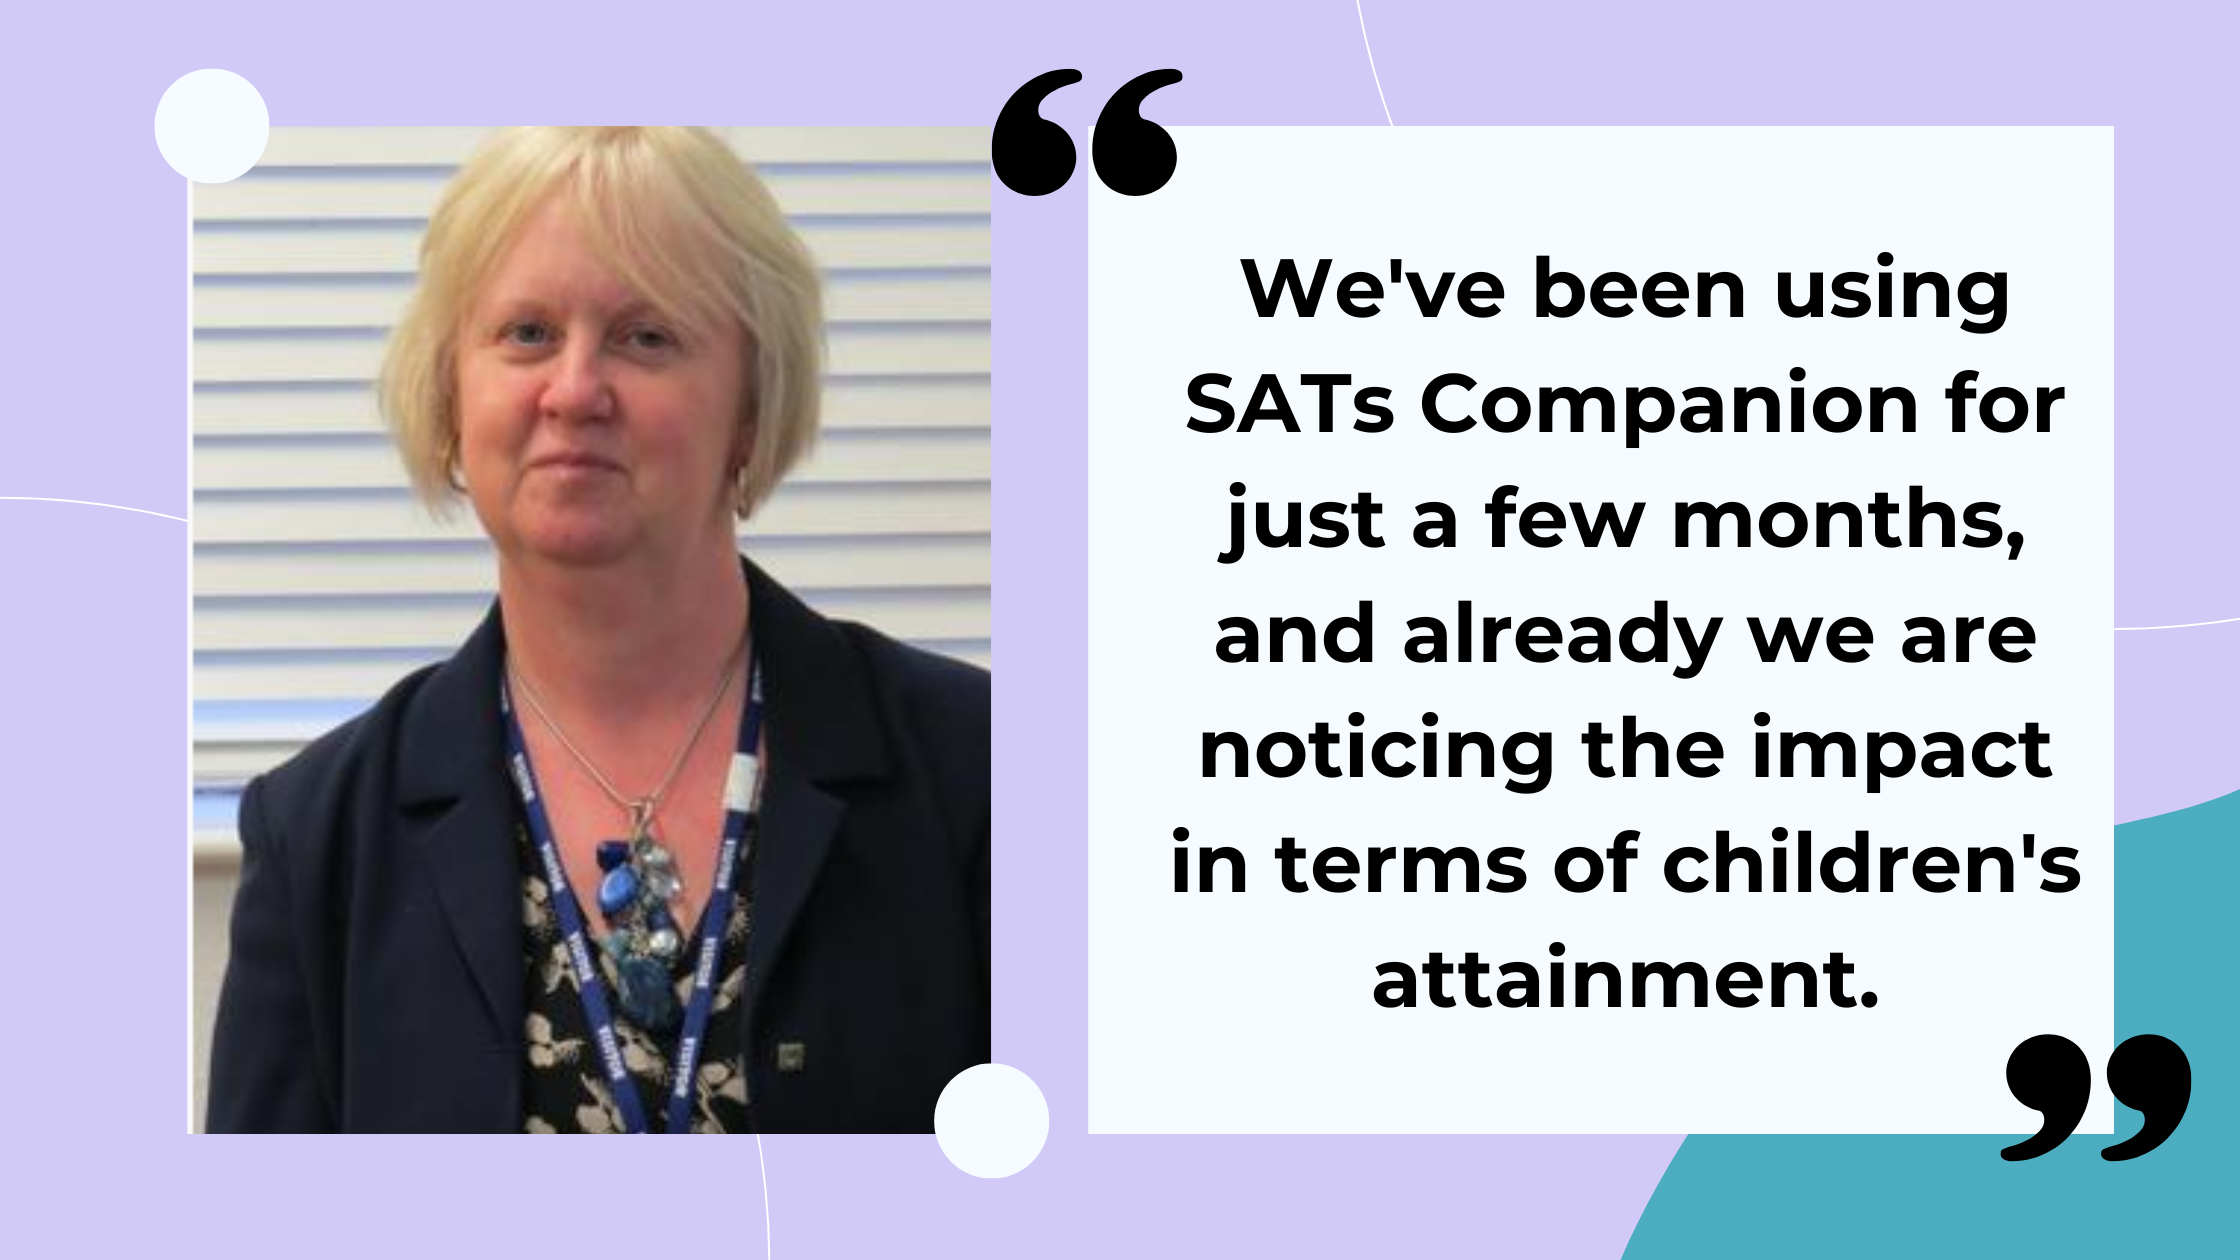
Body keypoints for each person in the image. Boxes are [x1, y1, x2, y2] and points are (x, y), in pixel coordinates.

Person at [206, 127, 990, 1133]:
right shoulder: (319, 835)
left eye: (645, 336)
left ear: (750, 410)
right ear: (450, 398)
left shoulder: (979, 773)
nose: (575, 390)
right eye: (527, 333)